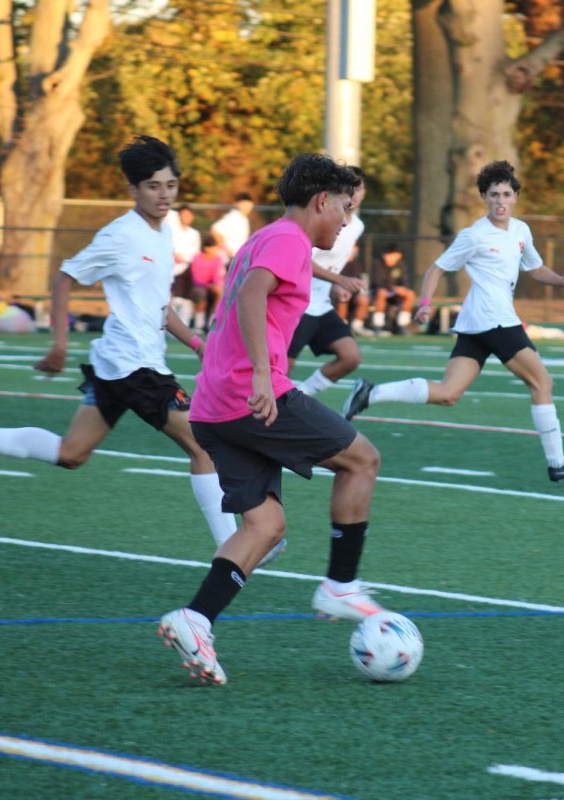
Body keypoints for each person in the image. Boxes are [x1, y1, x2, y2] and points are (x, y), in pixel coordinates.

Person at [0, 135, 283, 564]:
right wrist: (58, 344)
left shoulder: (165, 234)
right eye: (153, 186)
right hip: (134, 368)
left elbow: (161, 308)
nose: (164, 195)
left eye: (170, 185)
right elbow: (64, 278)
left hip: (117, 365)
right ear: (133, 190)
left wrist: (196, 342)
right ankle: (233, 549)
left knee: (72, 454)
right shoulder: (120, 235)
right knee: (204, 447)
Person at [157, 153, 387, 686]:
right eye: (345, 210)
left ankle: (194, 619)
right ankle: (340, 586)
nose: (347, 221)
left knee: (265, 525)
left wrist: (335, 277)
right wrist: (263, 373)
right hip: (251, 395)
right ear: (320, 201)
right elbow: (255, 294)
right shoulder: (285, 242)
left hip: (215, 405)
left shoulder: (272, 236)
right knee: (362, 460)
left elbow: (278, 273)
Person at [343, 160, 564, 483]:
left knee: (448, 393)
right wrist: (426, 303)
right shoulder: (474, 235)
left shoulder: (521, 231)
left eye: (505, 194)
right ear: (484, 198)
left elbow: (534, 268)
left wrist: (563, 281)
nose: (500, 201)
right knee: (542, 383)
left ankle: (370, 394)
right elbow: (436, 268)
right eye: (493, 195)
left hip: (478, 323)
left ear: (515, 196)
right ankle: (557, 462)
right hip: (494, 320)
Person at [286, 166, 368, 395]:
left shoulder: (358, 226)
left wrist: (334, 287)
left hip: (321, 305)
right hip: (299, 304)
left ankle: (302, 395)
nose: (355, 195)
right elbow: (302, 260)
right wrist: (339, 279)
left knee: (350, 357)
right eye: (351, 190)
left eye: (360, 189)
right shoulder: (321, 220)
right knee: (282, 367)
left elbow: (331, 263)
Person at [367, 243, 415, 334]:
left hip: (395, 294)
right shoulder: (377, 264)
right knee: (381, 292)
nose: (389, 258)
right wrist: (392, 288)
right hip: (378, 292)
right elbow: (377, 282)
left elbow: (405, 281)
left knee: (410, 294)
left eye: (393, 255)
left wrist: (402, 289)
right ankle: (378, 325)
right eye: (388, 255)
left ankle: (403, 324)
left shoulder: (401, 265)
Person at [165, 204, 201, 323]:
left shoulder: (194, 233)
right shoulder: (170, 229)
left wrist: (186, 260)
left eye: (188, 215)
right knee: (169, 299)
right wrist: (173, 255)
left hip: (187, 269)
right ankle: (168, 326)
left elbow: (195, 253)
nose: (186, 217)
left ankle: (183, 325)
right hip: (170, 268)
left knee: (185, 300)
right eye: (183, 215)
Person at [188, 232, 227, 332]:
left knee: (219, 291)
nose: (216, 250)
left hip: (211, 286)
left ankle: (213, 322)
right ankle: (198, 324)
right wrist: (207, 285)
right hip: (198, 286)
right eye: (214, 247)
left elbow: (217, 277)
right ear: (206, 248)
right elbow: (195, 278)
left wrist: (215, 285)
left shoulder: (218, 259)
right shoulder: (197, 258)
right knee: (201, 293)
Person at [210, 192, 254, 261]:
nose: (246, 206)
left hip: (237, 257)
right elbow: (215, 230)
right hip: (229, 258)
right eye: (242, 203)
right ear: (236, 204)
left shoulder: (243, 219)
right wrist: (227, 250)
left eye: (247, 203)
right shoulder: (233, 217)